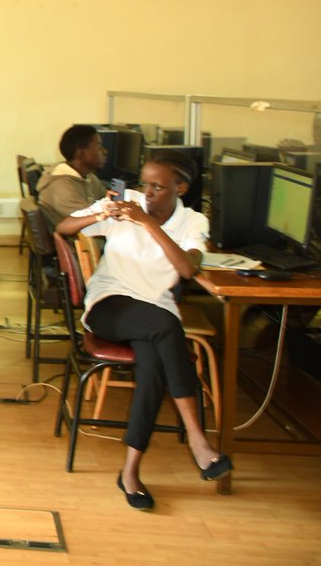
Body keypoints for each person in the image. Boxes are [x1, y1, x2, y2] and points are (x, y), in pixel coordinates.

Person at [55, 151, 232, 510]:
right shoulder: (125, 202)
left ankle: (130, 471)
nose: (147, 194)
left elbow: (185, 269)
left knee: (153, 366)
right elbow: (62, 228)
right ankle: (198, 440)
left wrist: (150, 224)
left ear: (180, 188)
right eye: (145, 184)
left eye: (157, 187)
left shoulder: (193, 222)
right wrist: (98, 213)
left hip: (153, 312)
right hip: (110, 304)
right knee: (167, 328)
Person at [37, 124, 108, 226]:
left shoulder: (87, 176)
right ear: (81, 153)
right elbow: (90, 223)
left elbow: (104, 198)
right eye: (98, 147)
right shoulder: (62, 187)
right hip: (77, 240)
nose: (105, 151)